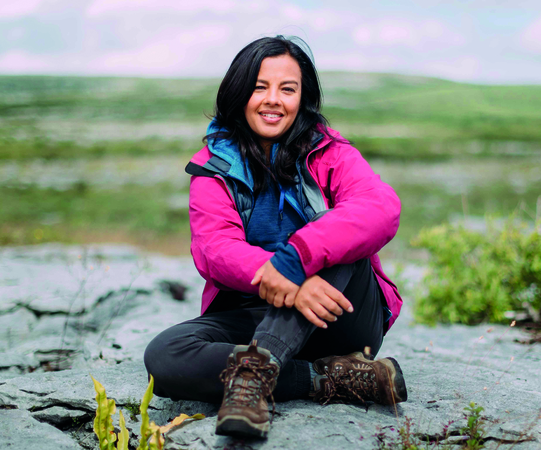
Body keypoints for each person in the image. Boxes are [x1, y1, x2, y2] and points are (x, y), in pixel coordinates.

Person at [144, 35, 406, 439]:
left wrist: (294, 262)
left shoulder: (330, 153)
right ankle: (331, 379)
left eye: (288, 89)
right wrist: (284, 283)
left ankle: (251, 377)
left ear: (303, 98)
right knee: (165, 355)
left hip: (339, 316)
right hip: (256, 311)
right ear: (239, 91)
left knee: (340, 239)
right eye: (260, 86)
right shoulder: (212, 168)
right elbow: (215, 251)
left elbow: (380, 208)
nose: (273, 100)